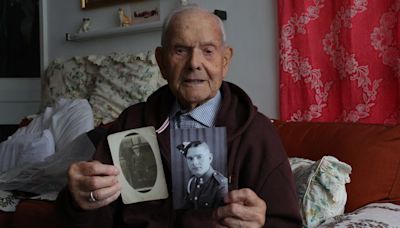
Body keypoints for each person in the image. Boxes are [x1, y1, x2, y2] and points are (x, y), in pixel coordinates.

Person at [56, 5, 302, 228]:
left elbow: (286, 223)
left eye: (208, 51)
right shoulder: (131, 124)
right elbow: (95, 217)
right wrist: (78, 200)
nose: (194, 63)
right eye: (180, 50)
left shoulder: (255, 133)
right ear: (161, 62)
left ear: (225, 61)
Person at [177, 140, 228, 209]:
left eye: (199, 157)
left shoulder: (221, 185)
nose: (194, 163)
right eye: (190, 158)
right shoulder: (192, 182)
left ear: (210, 158)